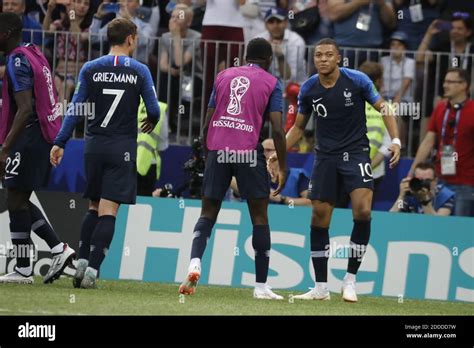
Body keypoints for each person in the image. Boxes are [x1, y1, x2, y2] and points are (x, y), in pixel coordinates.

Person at [280, 38, 400, 302]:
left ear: (338, 58)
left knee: (363, 210)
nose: (323, 59)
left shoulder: (357, 81)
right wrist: (278, 154)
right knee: (319, 218)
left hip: (356, 153)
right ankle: (321, 288)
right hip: (325, 157)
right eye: (318, 55)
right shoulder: (309, 88)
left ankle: (350, 280)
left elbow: (385, 109)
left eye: (328, 55)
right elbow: (298, 128)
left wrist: (396, 141)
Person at [50, 18, 160, 289]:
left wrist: (60, 141)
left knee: (93, 206)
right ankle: (93, 271)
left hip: (94, 147)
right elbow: (154, 109)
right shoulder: (139, 70)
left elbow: (75, 108)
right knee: (109, 211)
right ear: (131, 39)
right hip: (121, 149)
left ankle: (82, 262)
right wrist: (152, 120)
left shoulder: (90, 68)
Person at [179, 38, 287, 300]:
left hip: (218, 149)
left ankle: (195, 263)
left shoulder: (223, 75)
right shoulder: (272, 83)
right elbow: (277, 128)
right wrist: (283, 165)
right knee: (259, 216)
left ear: (244, 56)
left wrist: (210, 155)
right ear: (269, 61)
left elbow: (207, 123)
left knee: (208, 211)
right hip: (248, 151)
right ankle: (261, 287)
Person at [0, 12, 75, 285]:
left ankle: (26, 268)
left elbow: (25, 108)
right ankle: (55, 251)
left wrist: (5, 148)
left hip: (30, 137)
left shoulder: (17, 59)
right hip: (42, 135)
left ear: (5, 33)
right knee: (17, 198)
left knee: (16, 199)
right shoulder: (32, 52)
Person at [409, 68, 474, 217]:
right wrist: (412, 171)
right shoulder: (440, 108)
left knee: (458, 229)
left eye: (450, 82)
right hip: (439, 181)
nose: (445, 85)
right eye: (445, 81)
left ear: (464, 85)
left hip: (465, 183)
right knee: (436, 226)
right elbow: (428, 141)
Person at [43, 0, 93, 103]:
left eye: (86, 4)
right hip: (59, 71)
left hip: (77, 74)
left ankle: (62, 118)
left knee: (66, 86)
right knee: (52, 85)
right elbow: (46, 30)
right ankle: (53, 117)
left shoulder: (90, 27)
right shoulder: (61, 23)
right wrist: (49, 11)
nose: (82, 6)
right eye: (79, 2)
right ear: (72, 3)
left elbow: (78, 38)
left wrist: (72, 17)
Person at [253, 7, 306, 84]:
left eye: (279, 21)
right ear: (265, 25)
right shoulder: (258, 39)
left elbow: (290, 78)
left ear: (286, 23)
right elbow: (252, 70)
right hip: (267, 85)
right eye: (271, 22)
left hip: (295, 87)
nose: (275, 25)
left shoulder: (296, 40)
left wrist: (280, 56)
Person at [390, 162, 455, 215]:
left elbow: (439, 224)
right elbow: (393, 217)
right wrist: (401, 196)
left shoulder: (445, 196)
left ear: (435, 181)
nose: (422, 184)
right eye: (419, 180)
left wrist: (425, 201)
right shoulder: (411, 193)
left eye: (427, 181)